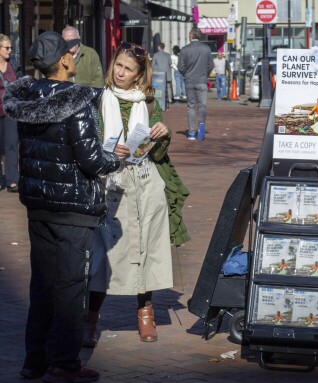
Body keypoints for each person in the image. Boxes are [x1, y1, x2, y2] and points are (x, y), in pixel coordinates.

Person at [3, 31, 121, 382]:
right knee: (70, 286)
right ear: (66, 61)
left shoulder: (26, 100)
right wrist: (115, 159)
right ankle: (64, 363)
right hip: (72, 206)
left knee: (42, 284)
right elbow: (90, 159)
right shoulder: (77, 101)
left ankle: (34, 360)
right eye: (71, 54)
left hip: (38, 204)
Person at [82, 41, 188, 347]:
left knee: (147, 247)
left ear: (140, 75)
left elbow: (156, 149)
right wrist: (107, 148)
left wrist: (162, 133)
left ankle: (145, 313)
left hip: (145, 181)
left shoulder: (149, 102)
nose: (120, 72)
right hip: (111, 183)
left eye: (128, 69)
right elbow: (89, 139)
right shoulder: (99, 99)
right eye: (118, 65)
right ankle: (91, 317)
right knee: (105, 252)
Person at [178, 27, 214, 141]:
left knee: (191, 106)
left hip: (189, 80)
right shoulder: (206, 49)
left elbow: (180, 67)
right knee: (202, 105)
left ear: (191, 36)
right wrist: (205, 74)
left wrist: (186, 74)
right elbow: (211, 65)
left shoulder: (184, 50)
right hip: (202, 80)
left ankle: (192, 132)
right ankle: (201, 125)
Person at [0, 34, 18, 193]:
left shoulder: (14, 65)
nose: (10, 50)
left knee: (11, 144)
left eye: (10, 47)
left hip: (10, 111)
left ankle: (12, 180)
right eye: (6, 48)